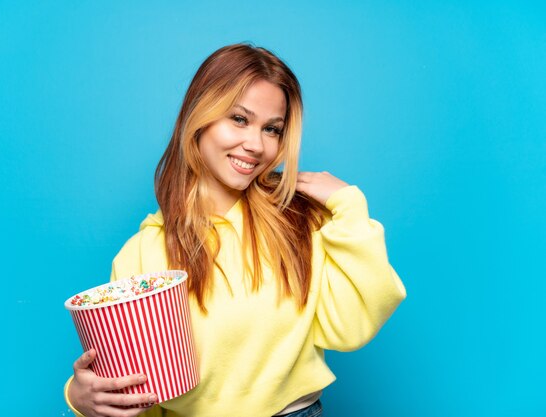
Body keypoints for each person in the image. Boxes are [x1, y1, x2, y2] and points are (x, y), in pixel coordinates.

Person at [64, 43, 407, 417]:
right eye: (239, 119)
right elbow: (136, 391)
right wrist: (81, 398)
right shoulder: (142, 254)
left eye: (272, 129)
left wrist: (350, 206)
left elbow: (349, 328)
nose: (256, 145)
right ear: (200, 116)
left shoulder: (299, 221)